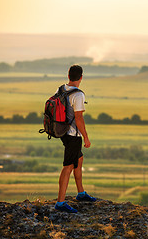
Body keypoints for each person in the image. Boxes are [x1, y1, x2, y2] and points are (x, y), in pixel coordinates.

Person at [54, 65, 96, 213]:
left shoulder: (60, 89)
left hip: (63, 132)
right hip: (73, 135)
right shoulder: (78, 95)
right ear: (81, 77)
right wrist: (86, 137)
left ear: (68, 75)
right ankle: (60, 203)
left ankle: (81, 193)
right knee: (68, 166)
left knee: (79, 159)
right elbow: (79, 118)